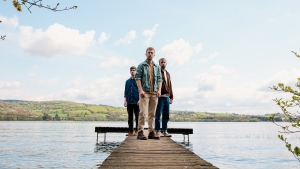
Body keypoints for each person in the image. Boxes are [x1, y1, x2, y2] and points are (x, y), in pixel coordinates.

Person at [135, 47, 162, 140]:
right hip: (144, 93)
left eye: (152, 53)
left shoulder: (157, 67)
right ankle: (140, 132)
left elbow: (159, 79)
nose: (150, 54)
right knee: (143, 112)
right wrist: (140, 90)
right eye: (148, 52)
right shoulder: (141, 66)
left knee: (152, 114)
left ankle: (151, 132)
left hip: (154, 93)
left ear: (154, 55)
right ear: (145, 54)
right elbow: (137, 78)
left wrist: (159, 90)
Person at [155, 58, 173, 137]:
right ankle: (157, 131)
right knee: (158, 114)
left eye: (164, 62)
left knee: (166, 115)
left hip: (167, 97)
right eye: (161, 62)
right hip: (159, 96)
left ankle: (164, 131)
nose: (163, 63)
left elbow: (170, 85)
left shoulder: (168, 74)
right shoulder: (157, 72)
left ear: (166, 63)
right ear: (159, 64)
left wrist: (171, 96)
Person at [124, 66, 140, 136]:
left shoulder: (138, 80)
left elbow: (140, 90)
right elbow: (126, 91)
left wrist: (140, 100)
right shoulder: (127, 81)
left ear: (136, 71)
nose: (132, 71)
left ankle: (137, 131)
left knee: (137, 117)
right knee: (130, 117)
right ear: (130, 72)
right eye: (131, 70)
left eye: (134, 70)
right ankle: (131, 131)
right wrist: (125, 100)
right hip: (129, 101)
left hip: (137, 101)